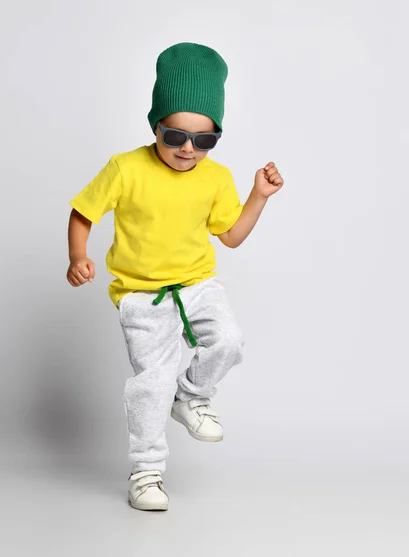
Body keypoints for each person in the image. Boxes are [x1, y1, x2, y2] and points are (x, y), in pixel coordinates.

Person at [66, 42, 284, 511]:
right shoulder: (126, 168)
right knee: (152, 382)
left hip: (197, 284)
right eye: (176, 137)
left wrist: (258, 196)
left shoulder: (216, 177)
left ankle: (191, 397)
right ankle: (146, 472)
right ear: (156, 126)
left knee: (228, 340)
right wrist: (77, 255)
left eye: (205, 140)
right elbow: (84, 211)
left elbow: (230, 237)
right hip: (142, 297)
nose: (189, 149)